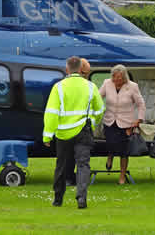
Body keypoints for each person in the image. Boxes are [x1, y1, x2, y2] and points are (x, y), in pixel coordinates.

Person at [43, 56, 104, 209]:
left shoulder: (58, 87)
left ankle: (58, 198)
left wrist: (47, 134)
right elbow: (100, 109)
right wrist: (93, 121)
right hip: (84, 131)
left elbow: (51, 112)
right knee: (83, 165)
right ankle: (81, 198)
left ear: (67, 69)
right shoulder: (91, 87)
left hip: (63, 133)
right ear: (80, 69)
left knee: (61, 166)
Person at [99, 64, 146, 185]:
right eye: (115, 77)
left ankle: (122, 176)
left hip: (126, 123)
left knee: (124, 151)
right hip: (109, 120)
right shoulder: (107, 83)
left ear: (124, 77)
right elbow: (98, 97)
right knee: (110, 144)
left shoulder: (132, 86)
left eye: (120, 78)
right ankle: (110, 156)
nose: (117, 80)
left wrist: (139, 119)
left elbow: (141, 104)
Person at [65, 58, 92, 186]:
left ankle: (69, 180)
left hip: (68, 128)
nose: (87, 76)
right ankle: (80, 188)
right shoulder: (88, 86)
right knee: (81, 160)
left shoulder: (61, 85)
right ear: (80, 70)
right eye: (85, 73)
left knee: (74, 158)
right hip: (79, 128)